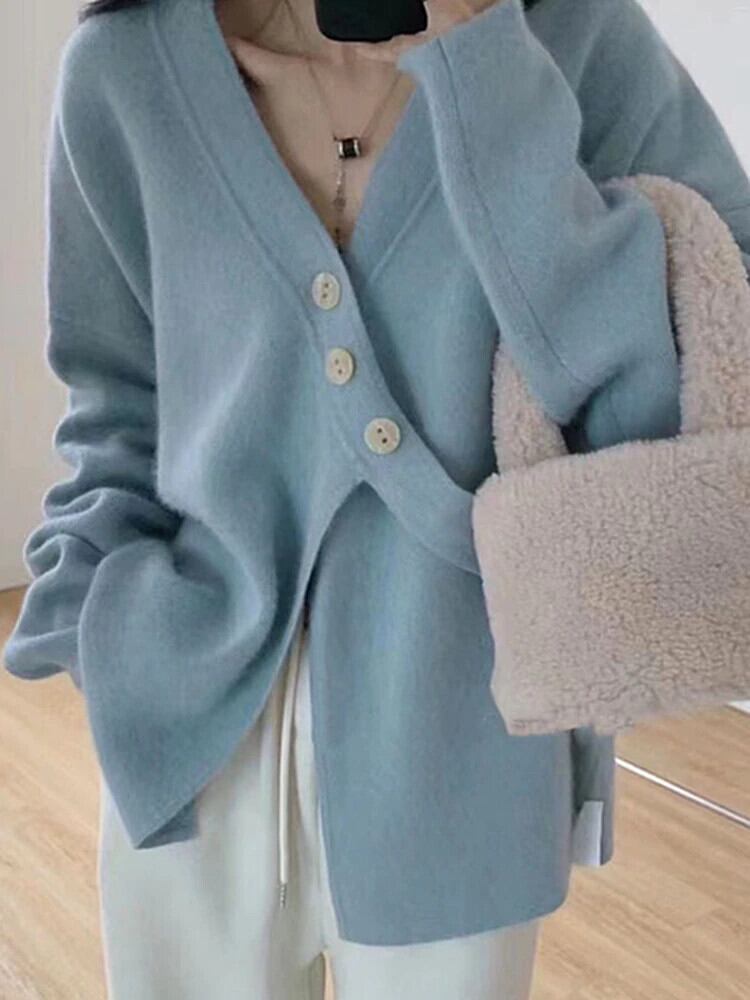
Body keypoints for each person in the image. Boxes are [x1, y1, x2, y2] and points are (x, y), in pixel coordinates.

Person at [4, 0, 750, 997]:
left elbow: (706, 351)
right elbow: (114, 400)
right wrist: (95, 619)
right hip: (185, 731)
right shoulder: (125, 68)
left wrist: (487, 70)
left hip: (466, 739)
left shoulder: (575, 37)